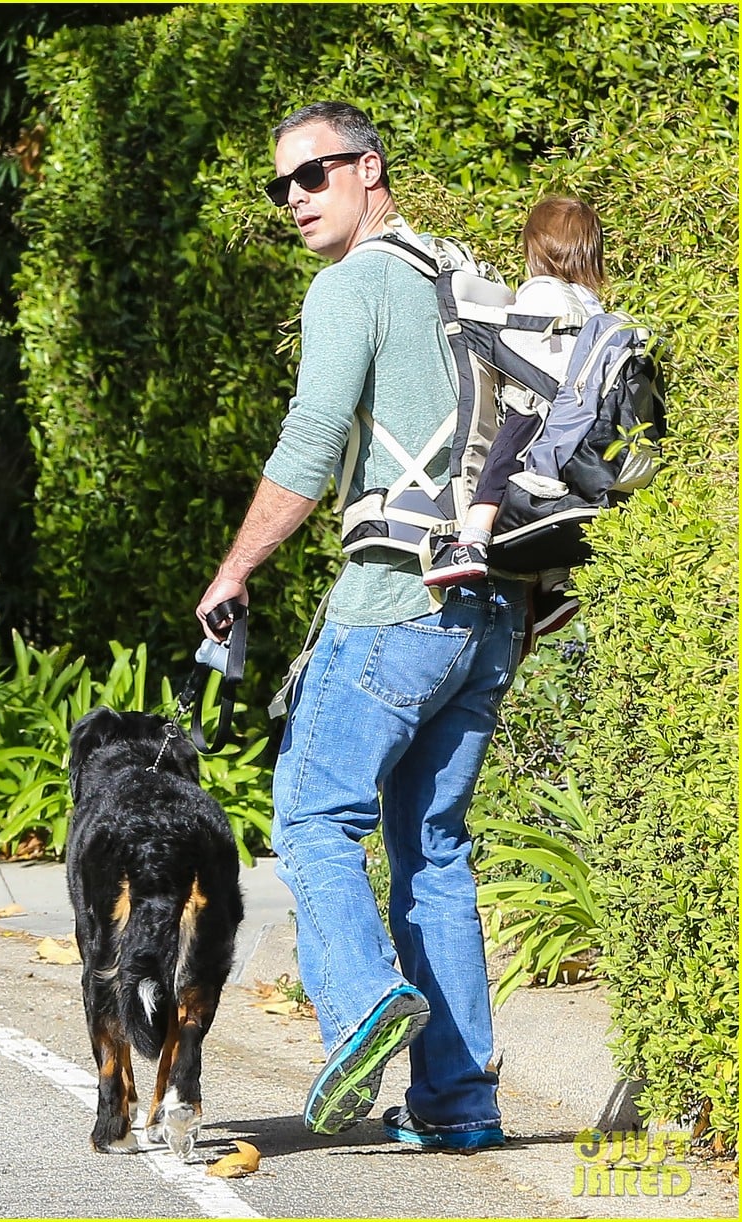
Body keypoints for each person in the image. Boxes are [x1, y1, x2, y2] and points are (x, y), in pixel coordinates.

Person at [196, 101, 528, 1151]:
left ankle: (359, 1009)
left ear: (368, 169)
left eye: (313, 175)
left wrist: (236, 566)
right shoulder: (454, 279)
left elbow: (309, 440)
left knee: (309, 815)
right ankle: (457, 1101)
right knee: (430, 846)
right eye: (281, 185)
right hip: (487, 606)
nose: (294, 198)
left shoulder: (352, 286)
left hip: (395, 601)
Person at [423, 196, 605, 589]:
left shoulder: (542, 291)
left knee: (497, 469)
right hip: (582, 427)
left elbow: (515, 340)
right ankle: (555, 582)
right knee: (549, 502)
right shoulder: (593, 303)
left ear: (535, 250)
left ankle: (470, 542)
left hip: (537, 412)